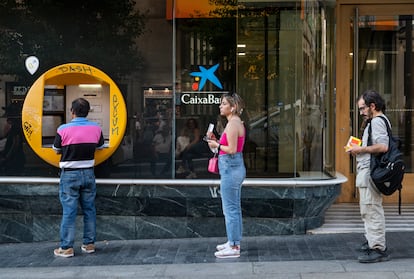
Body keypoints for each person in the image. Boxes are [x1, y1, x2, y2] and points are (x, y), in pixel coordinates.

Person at [52, 98, 105, 258]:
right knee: (89, 209)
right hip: (88, 173)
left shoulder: (63, 129)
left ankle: (67, 247)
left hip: (69, 175)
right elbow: (100, 146)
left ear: (72, 111)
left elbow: (56, 149)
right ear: (88, 112)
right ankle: (89, 244)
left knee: (69, 211)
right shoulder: (96, 128)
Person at [347, 89, 390, 263]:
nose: (361, 112)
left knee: (372, 209)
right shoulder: (374, 121)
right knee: (368, 209)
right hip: (366, 171)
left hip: (370, 172)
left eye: (363, 108)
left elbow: (383, 146)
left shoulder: (378, 121)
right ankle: (372, 241)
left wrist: (360, 149)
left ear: (373, 106)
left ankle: (378, 248)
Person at [207, 92, 246, 258]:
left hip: (231, 169)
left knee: (230, 209)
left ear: (233, 107)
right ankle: (233, 242)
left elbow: (231, 150)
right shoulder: (236, 123)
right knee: (233, 208)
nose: (220, 106)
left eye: (224, 104)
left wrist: (216, 144)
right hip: (233, 167)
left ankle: (234, 246)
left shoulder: (232, 125)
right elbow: (229, 147)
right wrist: (216, 141)